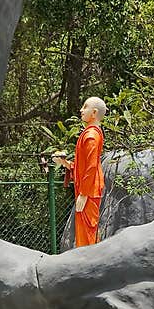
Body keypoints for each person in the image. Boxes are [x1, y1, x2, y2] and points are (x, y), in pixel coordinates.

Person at [54, 97, 106, 246]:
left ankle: (89, 263)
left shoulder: (91, 136)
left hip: (88, 191)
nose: (81, 110)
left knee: (88, 231)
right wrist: (65, 163)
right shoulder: (89, 133)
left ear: (94, 112)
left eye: (85, 107)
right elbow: (83, 165)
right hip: (87, 189)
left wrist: (84, 193)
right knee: (85, 229)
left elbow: (91, 167)